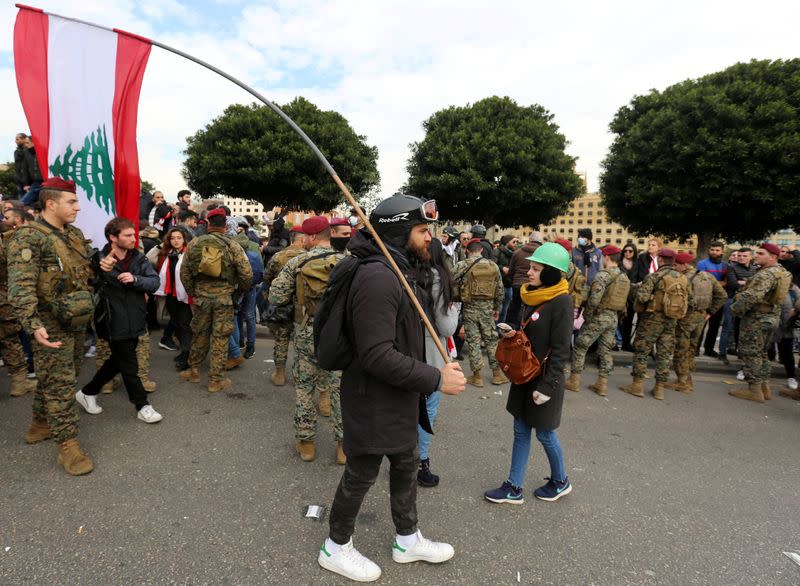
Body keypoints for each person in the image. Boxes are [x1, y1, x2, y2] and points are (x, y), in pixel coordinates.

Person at [318, 194, 465, 582]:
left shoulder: (401, 268)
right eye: (421, 230)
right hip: (373, 399)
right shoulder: (378, 276)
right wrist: (436, 379)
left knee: (406, 464)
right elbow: (376, 355)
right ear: (400, 232)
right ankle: (335, 547)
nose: (428, 238)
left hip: (399, 395)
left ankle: (407, 539)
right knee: (361, 474)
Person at [7, 178, 96, 475]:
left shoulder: (73, 234)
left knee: (58, 377)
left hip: (76, 318)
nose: (78, 207)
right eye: (71, 202)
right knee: (60, 384)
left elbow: (81, 272)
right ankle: (68, 446)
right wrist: (33, 324)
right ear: (50, 203)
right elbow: (20, 288)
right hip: (49, 324)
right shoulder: (29, 237)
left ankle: (39, 425)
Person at [484, 242, 573, 505]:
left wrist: (547, 387)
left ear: (551, 273)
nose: (529, 272)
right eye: (530, 267)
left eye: (535, 268)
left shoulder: (561, 301)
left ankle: (561, 481)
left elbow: (560, 350)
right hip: (524, 374)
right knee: (521, 431)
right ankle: (514, 487)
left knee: (545, 433)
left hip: (545, 380)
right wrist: (513, 333)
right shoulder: (529, 294)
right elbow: (529, 331)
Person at [269, 216, 346, 464]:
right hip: (340, 335)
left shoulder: (297, 262)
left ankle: (306, 443)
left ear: (311, 237)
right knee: (340, 389)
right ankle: (344, 446)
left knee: (304, 388)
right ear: (330, 235)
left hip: (306, 334)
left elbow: (276, 297)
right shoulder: (349, 263)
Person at [74, 217, 162, 423]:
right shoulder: (97, 259)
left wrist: (136, 279)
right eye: (128, 235)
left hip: (136, 317)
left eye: (134, 234)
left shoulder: (139, 258)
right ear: (113, 237)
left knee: (118, 360)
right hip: (111, 318)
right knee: (130, 364)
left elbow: (154, 281)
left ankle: (88, 392)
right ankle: (142, 405)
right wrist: (99, 273)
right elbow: (85, 285)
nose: (134, 239)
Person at [179, 207, 252, 392]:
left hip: (201, 298)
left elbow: (184, 272)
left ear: (208, 224)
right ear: (226, 226)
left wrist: (193, 292)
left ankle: (194, 371)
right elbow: (246, 273)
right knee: (220, 337)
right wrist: (239, 291)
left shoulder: (195, 243)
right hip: (224, 299)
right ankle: (215, 380)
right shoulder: (232, 245)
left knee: (199, 334)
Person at [413, 238, 459, 487]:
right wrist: (455, 309)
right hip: (431, 355)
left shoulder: (403, 272)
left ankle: (402, 459)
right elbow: (446, 325)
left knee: (406, 408)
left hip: (405, 352)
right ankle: (421, 463)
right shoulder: (437, 277)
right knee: (426, 411)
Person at [621, 248, 692, 401]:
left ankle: (637, 385)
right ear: (673, 261)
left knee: (642, 351)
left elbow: (642, 298)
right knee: (664, 354)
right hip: (671, 321)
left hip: (651, 320)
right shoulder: (683, 279)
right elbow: (691, 301)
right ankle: (659, 388)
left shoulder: (654, 277)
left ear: (660, 260)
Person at [729, 243, 792, 403]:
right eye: (757, 253)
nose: (756, 256)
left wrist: (735, 309)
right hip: (772, 317)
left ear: (773, 257)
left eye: (761, 253)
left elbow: (752, 296)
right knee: (762, 353)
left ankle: (754, 391)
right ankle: (765, 388)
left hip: (756, 318)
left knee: (751, 352)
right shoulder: (782, 272)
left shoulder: (766, 274)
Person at [565, 245, 630, 396]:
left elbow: (594, 299)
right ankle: (602, 384)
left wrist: (587, 315)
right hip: (613, 318)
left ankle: (574, 381)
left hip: (599, 316)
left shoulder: (603, 275)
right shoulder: (624, 277)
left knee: (581, 346)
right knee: (605, 350)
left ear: (606, 257)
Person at [667, 253, 726, 393]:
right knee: (691, 349)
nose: (674, 268)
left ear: (685, 265)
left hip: (685, 318)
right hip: (700, 317)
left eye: (676, 265)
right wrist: (710, 312)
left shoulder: (682, 278)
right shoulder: (707, 276)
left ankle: (682, 382)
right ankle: (688, 379)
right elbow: (722, 295)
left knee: (681, 349)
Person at [452, 240, 507, 387]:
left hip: (469, 308)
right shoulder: (493, 265)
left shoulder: (462, 264)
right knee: (491, 340)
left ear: (467, 251)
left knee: (473, 341)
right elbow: (500, 289)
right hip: (488, 309)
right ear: (481, 250)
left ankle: (477, 377)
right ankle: (497, 374)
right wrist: (496, 307)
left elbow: (450, 280)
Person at [263, 225, 306, 385]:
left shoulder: (278, 256)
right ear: (303, 239)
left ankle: (280, 375)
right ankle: (300, 376)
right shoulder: (309, 256)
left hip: (282, 305)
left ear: (290, 238)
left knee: (282, 339)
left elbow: (267, 278)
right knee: (301, 342)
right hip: (303, 307)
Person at [0, 220, 38, 397]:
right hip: (3, 302)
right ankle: (19, 383)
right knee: (10, 342)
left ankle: (19, 383)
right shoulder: (8, 245)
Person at [155, 227, 192, 371]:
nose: (176, 241)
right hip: (170, 295)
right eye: (173, 238)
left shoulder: (189, 253)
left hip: (184, 295)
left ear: (184, 239)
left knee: (184, 324)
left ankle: (186, 354)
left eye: (179, 238)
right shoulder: (164, 253)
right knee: (176, 323)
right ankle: (184, 351)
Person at [234, 217, 264, 359]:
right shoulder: (253, 245)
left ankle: (242, 342)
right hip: (251, 285)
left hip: (237, 286)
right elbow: (260, 268)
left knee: (240, 314)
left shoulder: (231, 243)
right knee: (249, 315)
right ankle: (250, 345)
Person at [506, 232, 544, 328]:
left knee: (515, 307)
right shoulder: (542, 254)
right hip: (533, 285)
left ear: (530, 239)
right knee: (529, 309)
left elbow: (511, 270)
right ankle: (524, 329)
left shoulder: (518, 252)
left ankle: (511, 329)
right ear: (540, 241)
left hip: (517, 284)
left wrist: (512, 281)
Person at [697, 241, 728, 357]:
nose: (714, 252)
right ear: (709, 250)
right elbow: (703, 281)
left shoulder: (725, 265)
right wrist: (721, 283)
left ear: (722, 251)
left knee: (714, 326)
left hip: (718, 300)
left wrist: (718, 283)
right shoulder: (702, 264)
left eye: (717, 250)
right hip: (704, 298)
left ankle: (709, 349)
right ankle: (695, 348)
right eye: (712, 250)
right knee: (701, 325)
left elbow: (728, 282)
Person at [494, 235, 518, 323]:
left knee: (505, 310)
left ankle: (501, 330)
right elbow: (492, 264)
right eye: (514, 242)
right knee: (498, 310)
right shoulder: (497, 251)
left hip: (509, 285)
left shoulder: (514, 253)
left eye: (517, 242)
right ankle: (495, 330)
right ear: (507, 242)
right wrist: (502, 268)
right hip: (499, 285)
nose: (516, 244)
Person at [619, 243, 638, 351]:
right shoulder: (619, 263)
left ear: (634, 252)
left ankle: (626, 343)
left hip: (631, 297)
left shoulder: (637, 263)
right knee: (616, 321)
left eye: (630, 251)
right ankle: (614, 343)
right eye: (625, 251)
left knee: (628, 321)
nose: (627, 253)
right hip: (620, 294)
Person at [19, 136, 43, 206]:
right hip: (36, 183)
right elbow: (25, 169)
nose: (25, 145)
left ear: (33, 143)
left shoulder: (43, 150)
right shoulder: (26, 152)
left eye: (27, 143)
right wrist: (26, 184)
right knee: (23, 203)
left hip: (46, 182)